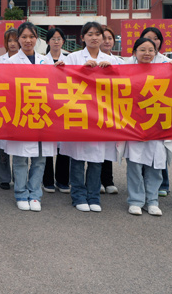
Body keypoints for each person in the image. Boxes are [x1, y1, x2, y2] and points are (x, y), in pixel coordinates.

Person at [0, 22, 54, 212]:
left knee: (40, 158)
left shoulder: (46, 61)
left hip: (42, 114)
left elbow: (55, 86)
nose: (28, 40)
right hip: (20, 115)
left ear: (37, 39)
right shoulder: (10, 63)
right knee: (20, 158)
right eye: (24, 37)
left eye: (31, 36)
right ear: (18, 39)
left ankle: (35, 194)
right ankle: (21, 193)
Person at [61, 21, 117, 213]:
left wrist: (111, 71)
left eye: (97, 34)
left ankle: (94, 196)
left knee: (96, 159)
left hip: (100, 115)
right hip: (79, 113)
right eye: (90, 34)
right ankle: (78, 196)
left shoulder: (112, 60)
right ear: (82, 37)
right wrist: (81, 70)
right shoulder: (73, 58)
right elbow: (61, 80)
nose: (94, 38)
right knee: (77, 159)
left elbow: (124, 83)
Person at [122, 38, 171, 216]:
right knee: (135, 165)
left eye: (151, 50)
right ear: (134, 52)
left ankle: (152, 201)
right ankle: (135, 200)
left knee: (156, 164)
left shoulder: (165, 70)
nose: (147, 53)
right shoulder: (125, 71)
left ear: (156, 53)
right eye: (142, 50)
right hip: (134, 124)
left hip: (157, 123)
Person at [140, 26, 171, 196]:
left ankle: (163, 184)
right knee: (142, 149)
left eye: (155, 38)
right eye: (148, 37)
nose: (152, 41)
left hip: (160, 109)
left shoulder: (167, 62)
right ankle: (142, 185)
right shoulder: (132, 61)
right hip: (140, 110)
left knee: (160, 148)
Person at [42, 27, 69, 194]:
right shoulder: (42, 61)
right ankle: (47, 180)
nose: (56, 41)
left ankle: (63, 180)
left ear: (63, 41)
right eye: (53, 39)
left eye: (59, 38)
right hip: (47, 106)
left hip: (64, 106)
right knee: (47, 146)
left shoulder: (70, 60)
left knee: (63, 146)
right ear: (48, 42)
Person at [0, 28, 18, 190]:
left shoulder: (27, 61)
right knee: (2, 144)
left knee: (19, 145)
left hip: (21, 105)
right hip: (3, 105)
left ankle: (18, 176)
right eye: (10, 41)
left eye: (15, 40)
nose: (13, 44)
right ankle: (4, 178)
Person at [98, 26, 121, 195]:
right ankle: (95, 180)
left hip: (112, 108)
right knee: (95, 145)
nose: (106, 41)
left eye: (110, 38)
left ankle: (108, 180)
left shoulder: (119, 61)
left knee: (108, 145)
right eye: (103, 38)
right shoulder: (90, 60)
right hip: (93, 107)